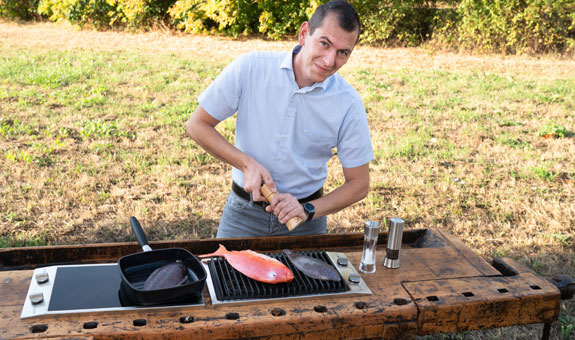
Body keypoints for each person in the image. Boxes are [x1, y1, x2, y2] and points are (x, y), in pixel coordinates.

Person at [186, 0, 373, 238]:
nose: (329, 61)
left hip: (305, 222)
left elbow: (359, 183)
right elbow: (196, 125)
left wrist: (307, 210)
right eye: (324, 44)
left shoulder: (348, 103)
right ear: (304, 34)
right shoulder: (250, 68)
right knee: (224, 275)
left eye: (342, 52)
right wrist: (246, 164)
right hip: (243, 214)